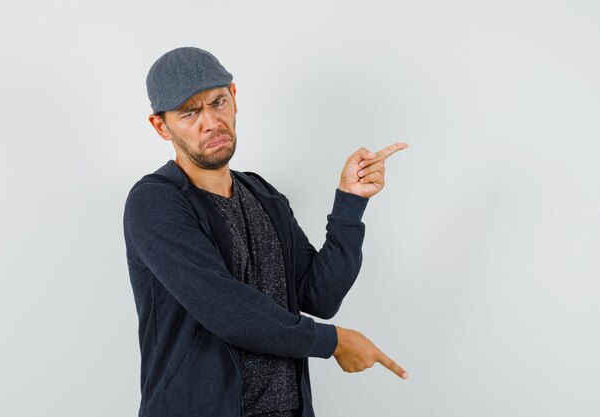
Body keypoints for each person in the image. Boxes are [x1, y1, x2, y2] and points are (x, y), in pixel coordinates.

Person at [123, 47, 409, 417]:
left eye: (218, 102)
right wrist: (333, 341)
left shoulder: (262, 195)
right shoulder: (155, 203)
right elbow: (227, 309)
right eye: (189, 113)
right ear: (161, 126)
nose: (210, 121)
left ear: (235, 99)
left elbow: (319, 296)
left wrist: (350, 204)